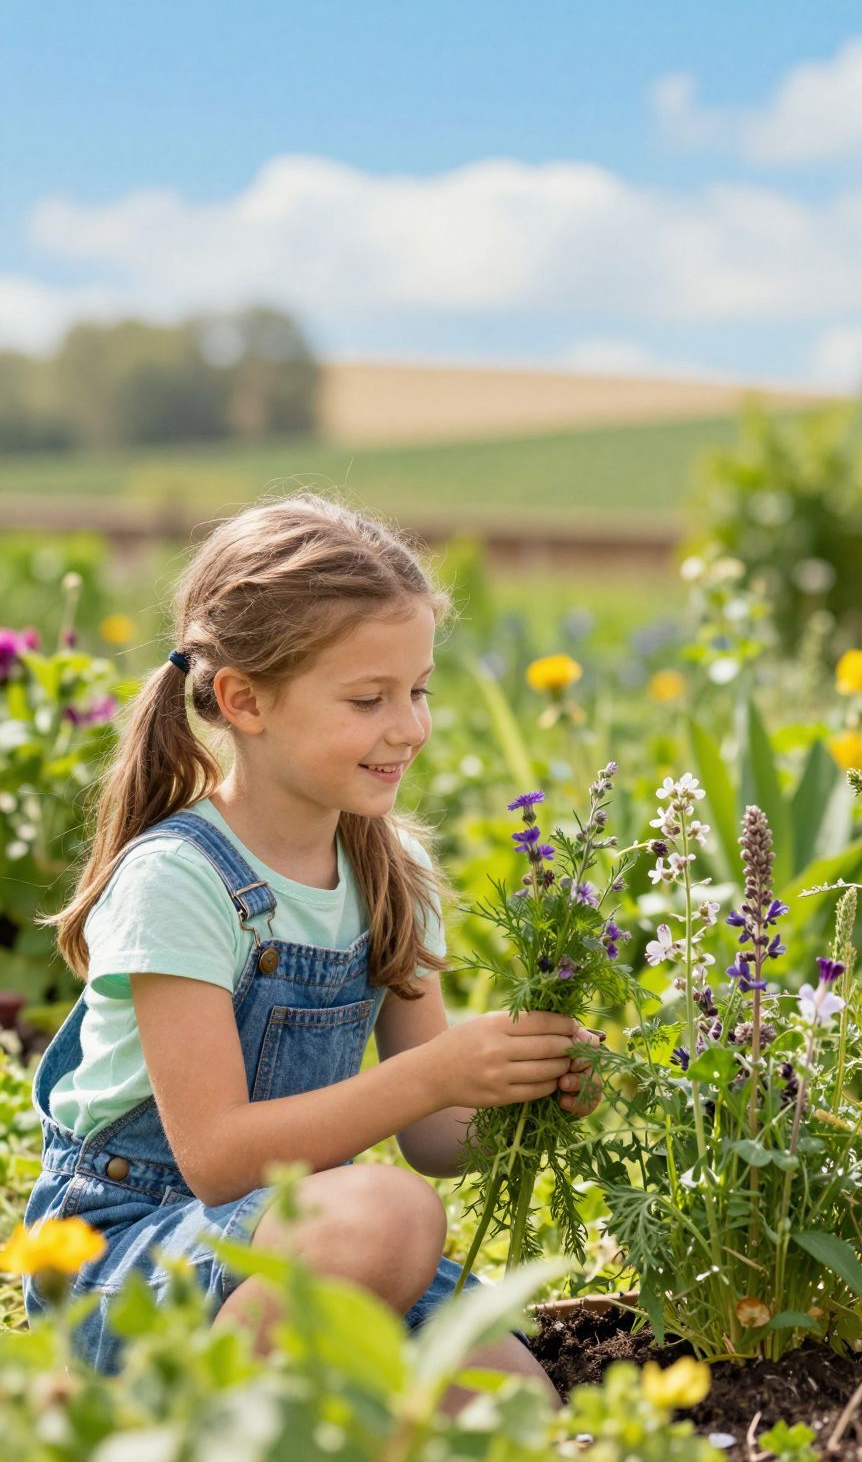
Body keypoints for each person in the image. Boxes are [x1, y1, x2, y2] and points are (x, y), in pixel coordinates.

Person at [24, 494, 593, 1389]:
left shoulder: (388, 870)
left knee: (519, 1404)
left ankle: (302, 1413)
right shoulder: (180, 879)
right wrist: (434, 1073)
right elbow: (215, 1159)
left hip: (300, 1241)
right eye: (368, 698)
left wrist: (524, 1088)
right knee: (389, 1219)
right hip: (133, 1260)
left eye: (417, 691)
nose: (408, 726)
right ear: (243, 700)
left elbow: (437, 1139)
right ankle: (181, 1425)